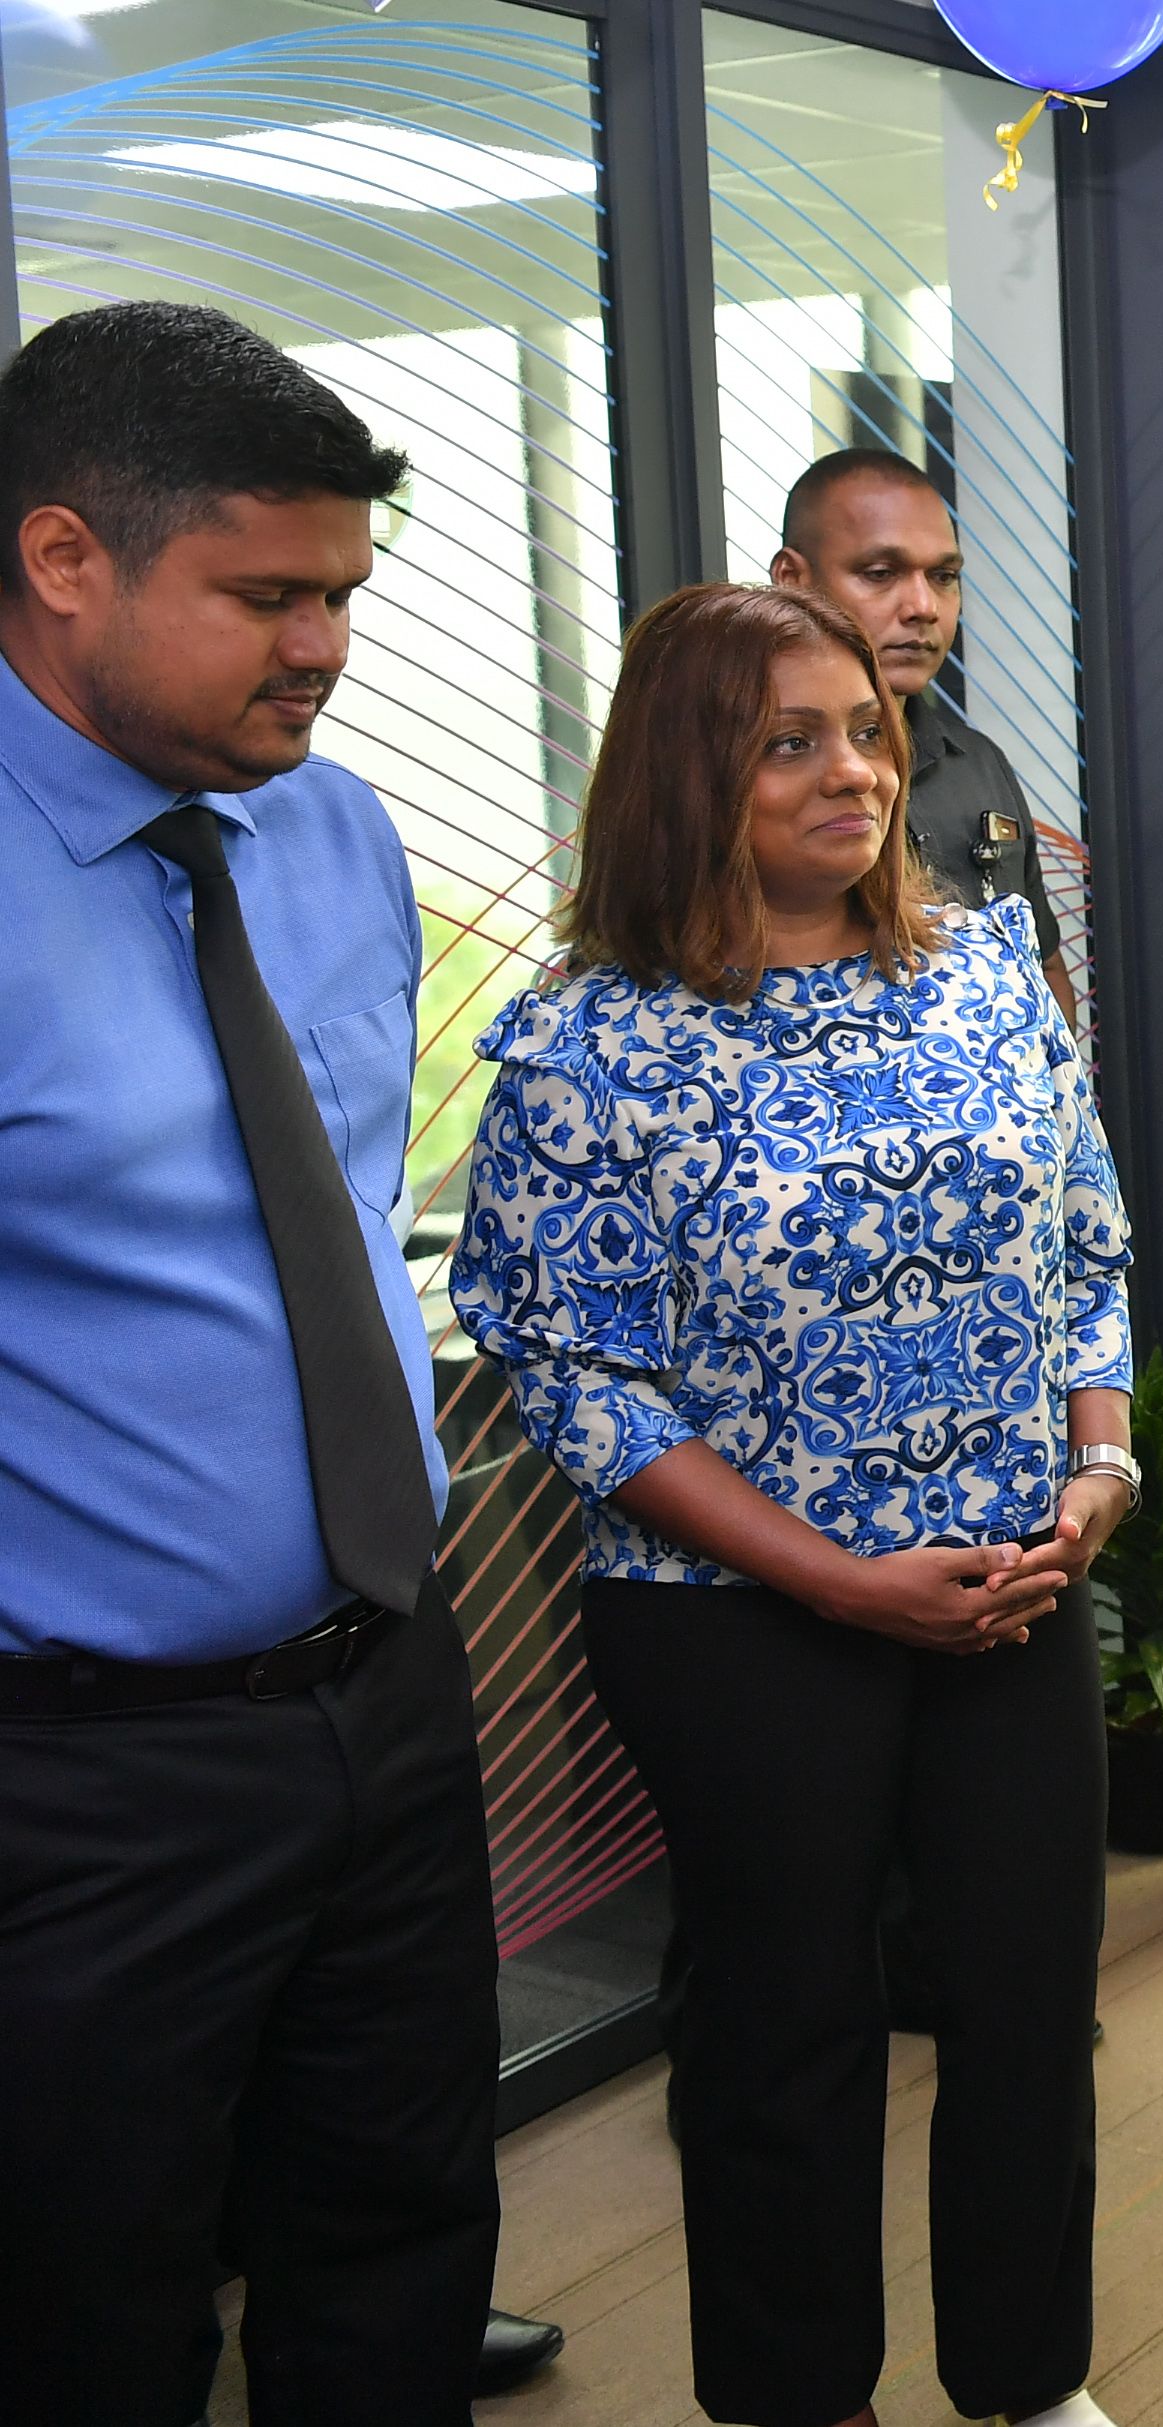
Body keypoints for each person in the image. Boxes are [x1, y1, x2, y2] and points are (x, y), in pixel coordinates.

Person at [448, 582, 1135, 2427]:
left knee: (1027, 2001)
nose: (857, 771)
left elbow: (1086, 1241)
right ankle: (797, 2394)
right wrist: (838, 1580)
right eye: (789, 742)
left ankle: (1030, 2380)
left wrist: (1102, 1464)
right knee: (785, 2026)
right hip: (735, 1619)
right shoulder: (591, 1042)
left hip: (1010, 1582)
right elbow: (582, 1380)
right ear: (687, 774)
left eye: (865, 731)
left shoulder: (984, 966)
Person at [0, 298, 500, 2423]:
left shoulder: (337, 833)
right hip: (81, 1782)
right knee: (85, 2318)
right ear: (63, 558)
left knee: (400, 2249)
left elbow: (338, 1209)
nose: (323, 648)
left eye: (346, 594)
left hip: (391, 1691)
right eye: (264, 595)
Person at [773, 444, 1075, 1020]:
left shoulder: (975, 762)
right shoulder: (743, 773)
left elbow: (1042, 969)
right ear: (793, 579)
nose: (922, 606)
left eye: (944, 577)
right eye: (880, 574)